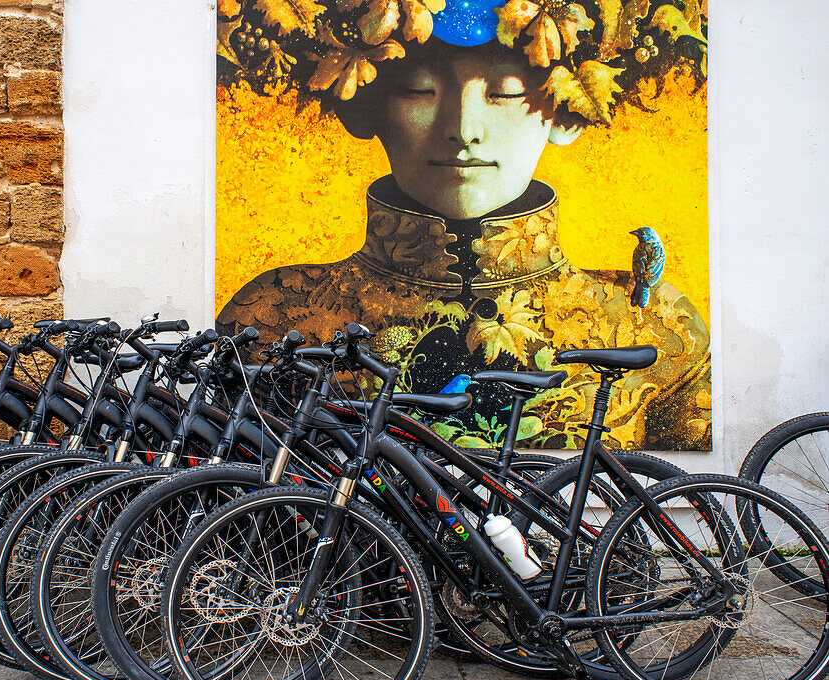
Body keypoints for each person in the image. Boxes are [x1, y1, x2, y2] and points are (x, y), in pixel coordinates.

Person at [216, 0, 710, 450]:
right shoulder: (273, 317)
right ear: (367, 107)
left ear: (566, 114)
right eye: (419, 90)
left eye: (504, 93)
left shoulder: (653, 325)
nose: (463, 129)